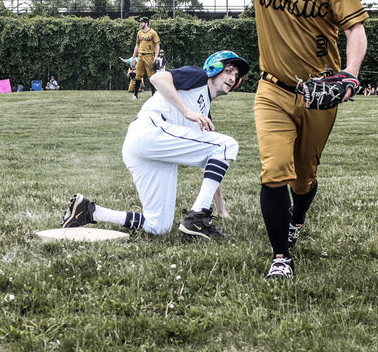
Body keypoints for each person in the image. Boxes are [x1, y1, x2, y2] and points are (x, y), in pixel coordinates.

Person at [203, 0, 368, 281]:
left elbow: (355, 28)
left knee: (304, 176)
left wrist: (349, 73)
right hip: (273, 89)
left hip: (319, 92)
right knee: (275, 170)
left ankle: (297, 220)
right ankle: (281, 256)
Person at [61, 51, 249, 239]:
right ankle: (197, 218)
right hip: (150, 129)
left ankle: (89, 211)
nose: (233, 78)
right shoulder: (198, 76)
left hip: (150, 148)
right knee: (228, 145)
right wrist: (186, 112)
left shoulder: (204, 115)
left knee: (158, 226)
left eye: (236, 75)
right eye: (228, 70)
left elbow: (214, 161)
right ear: (213, 68)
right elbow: (158, 78)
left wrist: (221, 209)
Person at [129, 16, 161, 99]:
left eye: (142, 22)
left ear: (146, 23)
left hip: (149, 55)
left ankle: (154, 95)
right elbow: (137, 45)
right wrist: (133, 57)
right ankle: (135, 95)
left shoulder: (153, 32)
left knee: (151, 75)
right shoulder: (139, 33)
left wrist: (156, 57)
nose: (140, 24)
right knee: (138, 75)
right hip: (140, 55)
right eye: (140, 22)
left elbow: (157, 45)